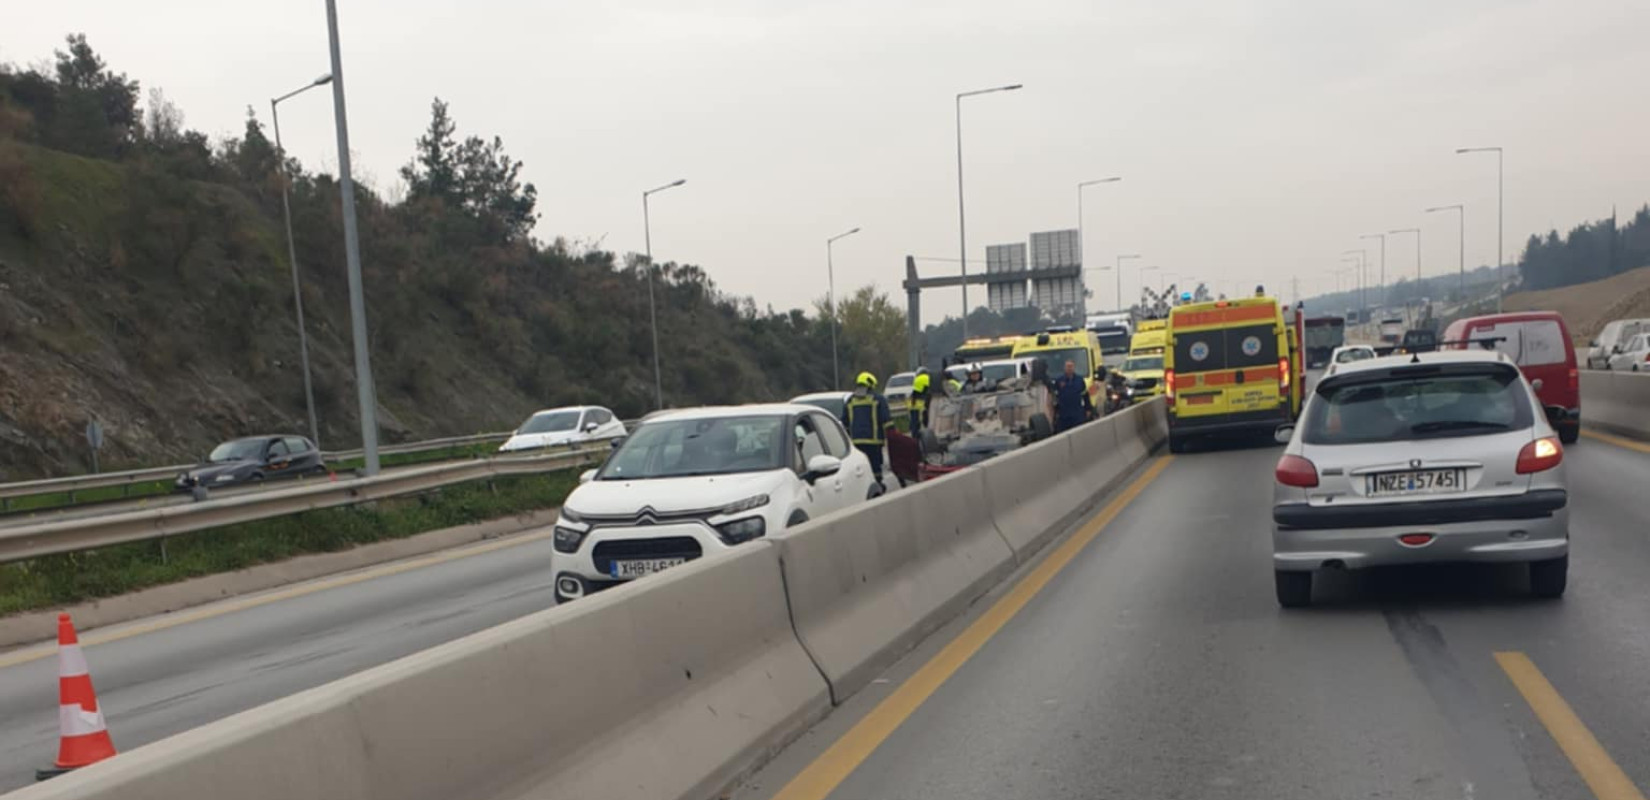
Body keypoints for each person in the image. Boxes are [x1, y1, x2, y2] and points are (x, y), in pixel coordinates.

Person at [841, 371, 893, 483]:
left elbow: (844, 423)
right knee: (875, 467)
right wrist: (893, 436)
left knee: (860, 469)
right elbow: (887, 421)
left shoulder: (850, 401)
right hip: (874, 442)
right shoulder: (878, 399)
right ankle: (877, 486)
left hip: (856, 443)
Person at [1048, 359, 1095, 433]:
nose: (1069, 368)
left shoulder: (1080, 380)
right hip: (1064, 415)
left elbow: (1085, 395)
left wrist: (1088, 409)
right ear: (1064, 368)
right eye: (1068, 366)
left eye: (1071, 366)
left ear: (1074, 367)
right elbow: (1054, 397)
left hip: (1077, 413)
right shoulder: (1059, 381)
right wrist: (1055, 412)